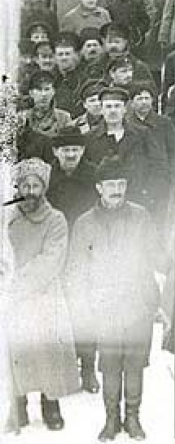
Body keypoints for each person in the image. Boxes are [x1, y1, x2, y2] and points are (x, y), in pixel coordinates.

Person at [67, 157, 160, 441]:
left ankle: (133, 418)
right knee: (109, 365)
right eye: (111, 185)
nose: (117, 190)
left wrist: (174, 264)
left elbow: (156, 252)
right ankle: (111, 419)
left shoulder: (141, 216)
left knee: (134, 364)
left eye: (121, 184)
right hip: (104, 307)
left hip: (137, 303)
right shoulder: (84, 224)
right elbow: (76, 268)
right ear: (99, 188)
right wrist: (83, 306)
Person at [4, 159, 79, 434]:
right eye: (26, 185)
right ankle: (18, 406)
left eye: (36, 185)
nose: (31, 191)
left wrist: (16, 281)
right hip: (13, 299)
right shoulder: (7, 217)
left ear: (44, 188)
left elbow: (51, 260)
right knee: (17, 351)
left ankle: (51, 406)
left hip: (44, 296)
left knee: (47, 352)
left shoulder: (56, 219)